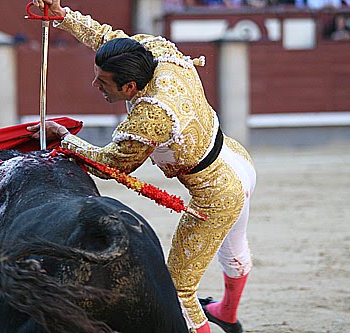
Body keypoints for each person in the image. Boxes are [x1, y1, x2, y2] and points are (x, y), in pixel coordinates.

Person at [27, 1, 256, 333]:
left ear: (129, 88)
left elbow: (110, 165)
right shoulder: (155, 51)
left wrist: (65, 138)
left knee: (178, 291)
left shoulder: (151, 116)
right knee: (235, 247)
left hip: (216, 193)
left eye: (104, 83)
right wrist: (65, 17)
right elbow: (108, 37)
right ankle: (227, 313)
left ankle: (219, 318)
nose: (96, 86)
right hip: (236, 159)